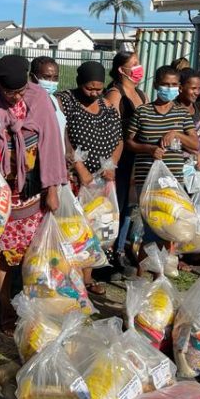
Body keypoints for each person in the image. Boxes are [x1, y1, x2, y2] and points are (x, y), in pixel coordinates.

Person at [0, 55, 67, 333]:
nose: (16, 97)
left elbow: (51, 144)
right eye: (9, 92)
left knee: (32, 253)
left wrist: (52, 188)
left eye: (20, 91)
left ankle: (32, 306)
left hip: (33, 189)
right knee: (1, 254)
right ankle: (4, 306)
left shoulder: (39, 99)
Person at [57, 60, 123, 294]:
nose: (94, 93)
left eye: (98, 88)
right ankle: (69, 277)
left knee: (95, 226)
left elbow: (119, 140)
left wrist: (111, 164)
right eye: (89, 88)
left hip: (101, 180)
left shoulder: (107, 106)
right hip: (75, 178)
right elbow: (61, 134)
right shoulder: (65, 101)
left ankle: (87, 277)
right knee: (74, 229)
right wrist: (78, 166)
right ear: (78, 82)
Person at [126, 66, 198, 252]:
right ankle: (143, 274)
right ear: (156, 85)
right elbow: (129, 142)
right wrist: (149, 149)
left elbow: (195, 145)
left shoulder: (182, 113)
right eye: (165, 84)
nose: (169, 88)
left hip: (172, 181)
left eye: (174, 84)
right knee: (150, 229)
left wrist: (176, 134)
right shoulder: (143, 112)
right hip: (148, 181)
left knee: (169, 228)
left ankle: (161, 275)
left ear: (179, 87)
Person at [103, 52, 147, 259]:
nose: (139, 68)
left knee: (131, 206)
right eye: (134, 64)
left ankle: (121, 247)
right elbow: (110, 129)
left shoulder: (141, 94)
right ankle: (109, 250)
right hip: (120, 158)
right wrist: (111, 162)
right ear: (122, 70)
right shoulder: (115, 93)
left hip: (138, 157)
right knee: (116, 206)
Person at [175, 68, 200, 173]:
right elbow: (176, 137)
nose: (197, 92)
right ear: (181, 88)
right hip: (181, 162)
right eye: (193, 88)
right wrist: (196, 153)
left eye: (199, 88)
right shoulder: (173, 108)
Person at [30, 56, 67, 148]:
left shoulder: (56, 100)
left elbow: (63, 128)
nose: (51, 82)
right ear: (32, 77)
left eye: (55, 78)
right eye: (47, 77)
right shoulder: (29, 102)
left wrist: (69, 149)